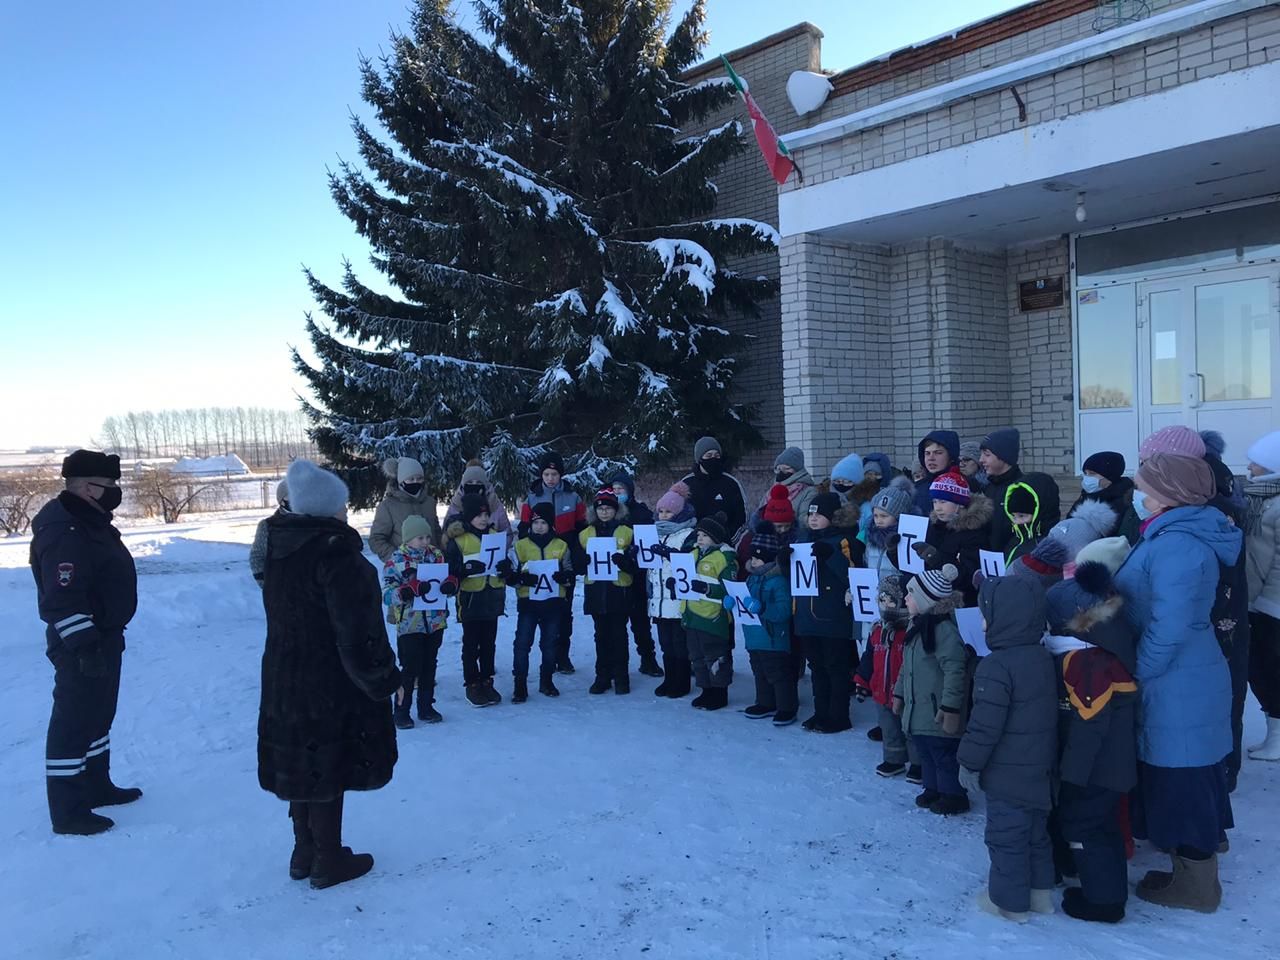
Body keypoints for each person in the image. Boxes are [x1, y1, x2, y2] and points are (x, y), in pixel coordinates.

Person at [258, 459, 400, 890]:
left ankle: (304, 850)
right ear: (327, 509)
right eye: (341, 505)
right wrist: (382, 679)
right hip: (330, 681)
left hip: (284, 674)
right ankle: (328, 858)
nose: (346, 511)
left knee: (301, 760)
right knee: (328, 764)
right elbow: (358, 634)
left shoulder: (280, 550)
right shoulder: (337, 556)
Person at [1114, 453, 1240, 913]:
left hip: (1175, 680)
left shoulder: (1179, 545)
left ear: (1169, 494)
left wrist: (1138, 670)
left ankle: (1197, 885)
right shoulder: (1172, 533)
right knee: (1192, 772)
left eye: (1144, 486)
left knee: (1181, 780)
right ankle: (1199, 857)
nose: (1137, 495)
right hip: (1182, 677)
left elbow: (1171, 624)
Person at [30, 450, 141, 836]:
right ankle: (68, 809)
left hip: (104, 636)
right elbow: (61, 599)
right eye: (109, 486)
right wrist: (85, 646)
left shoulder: (88, 520)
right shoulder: (66, 530)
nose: (115, 492)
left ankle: (96, 785)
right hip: (81, 642)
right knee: (73, 721)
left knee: (98, 714)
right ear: (86, 487)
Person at [1044, 554, 1138, 924]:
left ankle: (1103, 901)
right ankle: (1108, 887)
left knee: (1084, 826)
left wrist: (1072, 776)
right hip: (1111, 766)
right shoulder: (1105, 649)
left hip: (1095, 770)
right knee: (1104, 826)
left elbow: (1089, 726)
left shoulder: (1084, 663)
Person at [958, 576, 1058, 923]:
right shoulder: (1042, 657)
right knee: (1035, 834)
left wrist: (968, 762)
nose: (983, 622)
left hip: (1006, 772)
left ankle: (1009, 903)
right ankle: (1040, 894)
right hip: (1039, 765)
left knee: (1006, 837)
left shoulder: (996, 666)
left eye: (987, 615)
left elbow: (985, 726)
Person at [894, 564, 970, 816]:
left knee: (944, 755)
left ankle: (953, 794)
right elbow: (907, 667)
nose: (905, 598)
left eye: (910, 594)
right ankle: (932, 788)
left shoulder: (944, 630)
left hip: (937, 710)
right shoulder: (917, 628)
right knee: (925, 751)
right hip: (918, 710)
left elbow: (955, 670)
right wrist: (899, 693)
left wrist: (950, 706)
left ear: (926, 600)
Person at [786, 492, 864, 733]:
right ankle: (821, 712)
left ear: (834, 517)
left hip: (833, 617)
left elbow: (853, 575)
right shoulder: (802, 540)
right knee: (817, 668)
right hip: (807, 617)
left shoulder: (843, 541)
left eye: (819, 514)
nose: (813, 518)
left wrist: (831, 557)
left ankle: (838, 715)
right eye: (811, 513)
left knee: (836, 668)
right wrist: (783, 563)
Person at [381, 514, 452, 727]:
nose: (425, 542)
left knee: (430, 665)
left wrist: (450, 585)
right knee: (410, 668)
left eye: (427, 537)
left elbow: (444, 581)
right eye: (419, 538)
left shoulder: (437, 555)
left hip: (435, 621)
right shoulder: (396, 561)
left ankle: (426, 706)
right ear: (407, 539)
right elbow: (386, 595)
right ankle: (401, 710)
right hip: (410, 624)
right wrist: (406, 591)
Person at [519, 452, 586, 674]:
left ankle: (562, 656)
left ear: (561, 474)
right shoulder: (532, 498)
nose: (550, 478)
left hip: (562, 559)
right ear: (541, 475)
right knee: (538, 611)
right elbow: (523, 531)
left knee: (564, 611)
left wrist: (576, 556)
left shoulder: (573, 497)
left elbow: (581, 529)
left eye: (554, 473)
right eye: (546, 474)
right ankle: (545, 654)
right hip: (538, 562)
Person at [444, 494, 508, 707]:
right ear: (468, 517)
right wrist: (465, 569)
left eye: (485, 514)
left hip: (492, 597)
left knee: (489, 643)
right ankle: (472, 683)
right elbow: (450, 570)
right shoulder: (459, 540)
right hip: (471, 599)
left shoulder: (495, 535)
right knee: (471, 644)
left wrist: (505, 568)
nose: (482, 519)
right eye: (477, 515)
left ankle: (487, 681)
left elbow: (504, 561)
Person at [854, 574, 919, 779]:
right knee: (889, 728)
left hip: (907, 692)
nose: (886, 605)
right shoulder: (878, 630)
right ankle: (894, 759)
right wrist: (862, 680)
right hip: (881, 691)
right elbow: (869, 657)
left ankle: (918, 763)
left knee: (911, 729)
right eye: (882, 600)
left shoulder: (912, 630)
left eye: (891, 600)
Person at [733, 523, 797, 725]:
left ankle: (787, 707)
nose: (754, 561)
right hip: (754, 636)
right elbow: (747, 603)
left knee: (778, 674)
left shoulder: (778, 582)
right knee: (759, 671)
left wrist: (762, 609)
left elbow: (784, 611)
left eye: (759, 558)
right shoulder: (752, 579)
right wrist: (734, 602)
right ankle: (764, 702)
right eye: (752, 557)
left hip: (773, 637)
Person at [510, 502, 573, 701]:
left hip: (553, 604)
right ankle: (519, 684)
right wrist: (521, 579)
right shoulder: (520, 546)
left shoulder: (561, 546)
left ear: (551, 525)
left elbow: (570, 571)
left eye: (544, 523)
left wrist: (565, 578)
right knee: (522, 644)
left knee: (549, 644)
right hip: (528, 604)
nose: (539, 526)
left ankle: (547, 680)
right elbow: (509, 575)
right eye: (536, 522)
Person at [578, 488, 638, 695]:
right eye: (600, 508)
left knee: (619, 635)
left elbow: (636, 565)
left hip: (618, 592)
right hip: (596, 591)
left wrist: (625, 562)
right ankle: (602, 676)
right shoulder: (585, 534)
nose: (604, 512)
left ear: (616, 510)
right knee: (601, 636)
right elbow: (577, 565)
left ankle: (621, 677)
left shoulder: (627, 532)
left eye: (609, 508)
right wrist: (582, 562)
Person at [678, 512, 737, 711]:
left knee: (715, 655)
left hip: (713, 617)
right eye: (698, 535)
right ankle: (705, 689)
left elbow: (730, 587)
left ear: (715, 538)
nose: (699, 538)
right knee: (697, 656)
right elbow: (683, 577)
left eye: (704, 535)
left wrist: (707, 589)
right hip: (692, 614)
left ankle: (719, 692)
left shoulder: (725, 558)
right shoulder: (693, 554)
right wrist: (674, 584)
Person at [1244, 429, 1280, 762]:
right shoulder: (1260, 498)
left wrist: (1260, 599)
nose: (1249, 469)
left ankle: (1278, 739)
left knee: (1271, 668)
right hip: (1261, 600)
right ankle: (1274, 735)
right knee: (1263, 669)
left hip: (1273, 603)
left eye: (1255, 464)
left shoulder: (1274, 505)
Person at [609, 472, 662, 678]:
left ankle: (648, 658)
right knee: (616, 624)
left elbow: (649, 540)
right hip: (615, 574)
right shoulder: (609, 512)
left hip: (638, 574)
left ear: (629, 490)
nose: (617, 493)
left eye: (620, 489)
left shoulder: (640, 512)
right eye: (614, 489)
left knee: (640, 621)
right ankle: (617, 663)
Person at [913, 469, 992, 608]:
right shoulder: (935, 526)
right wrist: (894, 552)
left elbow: (969, 577)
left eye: (943, 502)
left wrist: (935, 558)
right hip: (932, 601)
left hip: (961, 605)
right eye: (935, 501)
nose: (937, 508)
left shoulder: (974, 533)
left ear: (960, 503)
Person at [648, 483, 698, 697]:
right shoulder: (654, 533)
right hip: (658, 598)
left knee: (679, 643)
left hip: (677, 597)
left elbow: (691, 562)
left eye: (668, 511)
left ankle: (682, 681)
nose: (664, 515)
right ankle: (669, 678)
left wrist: (669, 554)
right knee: (665, 642)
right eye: (661, 511)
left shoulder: (688, 534)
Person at [369, 457, 441, 562]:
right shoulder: (387, 506)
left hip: (432, 565)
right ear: (401, 481)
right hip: (404, 569)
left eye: (419, 478)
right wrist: (397, 558)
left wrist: (440, 554)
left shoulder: (429, 502)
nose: (415, 482)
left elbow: (436, 532)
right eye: (411, 479)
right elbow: (376, 539)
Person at [680, 436, 747, 541]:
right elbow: (676, 515)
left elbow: (741, 517)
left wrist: (729, 541)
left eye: (717, 455)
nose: (713, 459)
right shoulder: (686, 484)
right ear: (700, 458)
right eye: (709, 455)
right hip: (693, 544)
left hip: (724, 546)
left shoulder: (731, 483)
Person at [443, 459, 513, 545]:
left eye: (478, 482)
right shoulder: (457, 504)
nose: (474, 485)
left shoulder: (494, 503)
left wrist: (498, 550)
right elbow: (446, 534)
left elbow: (507, 533)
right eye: (470, 482)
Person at [737, 484, 795, 579]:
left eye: (787, 526)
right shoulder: (749, 539)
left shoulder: (795, 538)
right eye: (779, 526)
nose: (783, 530)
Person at [862, 478, 916, 579]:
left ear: (898, 516)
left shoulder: (905, 540)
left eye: (884, 516)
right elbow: (867, 562)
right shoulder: (871, 538)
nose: (878, 520)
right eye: (875, 516)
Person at [751, 447, 816, 529]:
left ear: (798, 470)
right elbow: (759, 513)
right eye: (778, 469)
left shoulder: (808, 491)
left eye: (786, 468)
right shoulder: (773, 490)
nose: (782, 472)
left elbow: (804, 520)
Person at [1068, 451, 1133, 521]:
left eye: (1092, 473)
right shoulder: (1085, 496)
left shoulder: (1124, 501)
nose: (1087, 477)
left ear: (1110, 477)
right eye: (1085, 473)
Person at [250, 479, 289, 586]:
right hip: (280, 588)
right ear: (281, 500)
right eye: (291, 497)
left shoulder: (313, 521)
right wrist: (268, 586)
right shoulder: (268, 526)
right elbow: (257, 557)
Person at [913, 430, 960, 516]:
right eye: (927, 453)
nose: (931, 458)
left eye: (938, 453)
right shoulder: (917, 488)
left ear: (951, 456)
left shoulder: (964, 485)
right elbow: (910, 528)